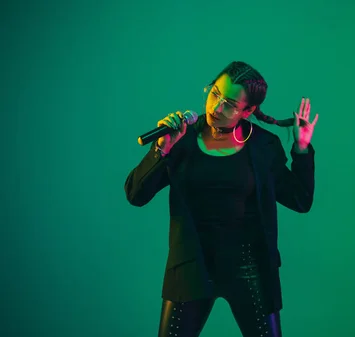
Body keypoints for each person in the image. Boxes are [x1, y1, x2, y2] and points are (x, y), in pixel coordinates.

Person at [124, 61, 319, 337]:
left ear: (248, 111)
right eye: (214, 93)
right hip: (193, 265)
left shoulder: (264, 146)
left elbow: (300, 201)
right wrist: (161, 150)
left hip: (249, 267)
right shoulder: (182, 139)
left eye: (228, 103)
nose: (215, 108)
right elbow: (135, 195)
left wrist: (301, 149)